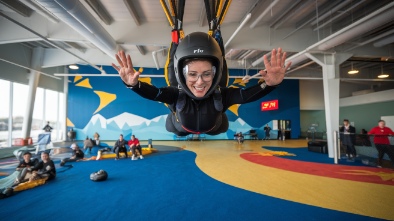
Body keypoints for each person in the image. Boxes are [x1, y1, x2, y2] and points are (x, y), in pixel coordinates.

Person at [112, 32, 291, 136]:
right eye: (192, 75)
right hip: (180, 128)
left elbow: (244, 96)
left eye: (206, 74)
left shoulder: (222, 94)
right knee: (174, 124)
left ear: (214, 74)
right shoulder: (176, 94)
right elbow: (155, 93)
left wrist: (270, 85)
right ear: (184, 75)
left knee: (219, 127)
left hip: (215, 127)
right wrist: (134, 85)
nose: (200, 82)